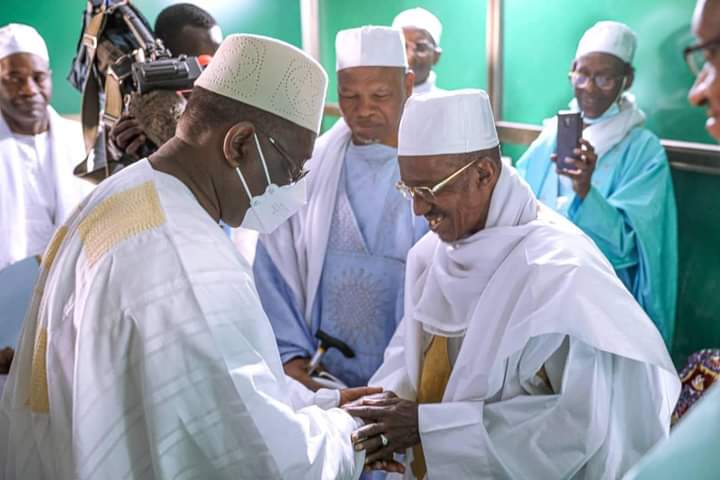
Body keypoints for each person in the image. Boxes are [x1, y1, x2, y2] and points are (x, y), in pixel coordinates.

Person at [0, 34, 374, 480]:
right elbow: (257, 457)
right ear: (238, 144)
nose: (294, 189)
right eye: (292, 169)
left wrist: (325, 403)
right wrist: (351, 431)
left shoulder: (125, 193)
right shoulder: (184, 259)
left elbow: (221, 389)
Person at [344, 89, 680, 479]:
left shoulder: (562, 275)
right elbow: (408, 360)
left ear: (484, 174)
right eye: (408, 189)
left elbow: (579, 427)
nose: (417, 209)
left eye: (430, 191)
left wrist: (427, 428)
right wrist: (376, 424)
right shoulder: (429, 256)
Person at [254, 26, 424, 391]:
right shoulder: (308, 169)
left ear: (408, 85)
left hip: (410, 385)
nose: (363, 110)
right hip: (319, 379)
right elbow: (273, 264)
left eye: (379, 95)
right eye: (350, 96)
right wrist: (291, 358)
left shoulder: (433, 169)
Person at [516, 21, 678, 345]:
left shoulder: (643, 150)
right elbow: (518, 207)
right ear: (571, 72)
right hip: (545, 295)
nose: (589, 88)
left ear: (626, 80)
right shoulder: (551, 138)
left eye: (604, 78)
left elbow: (629, 250)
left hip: (605, 305)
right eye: (582, 75)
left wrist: (585, 192)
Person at [623, 1, 720, 478]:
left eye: (714, 56)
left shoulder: (641, 148)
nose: (698, 93)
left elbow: (636, 237)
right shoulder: (548, 143)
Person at [0, 23, 91, 271]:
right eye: (13, 79)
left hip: (79, 287)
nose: (29, 90)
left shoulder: (84, 142)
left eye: (37, 78)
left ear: (49, 77)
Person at [109, 3, 223, 163]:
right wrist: (121, 151)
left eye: (220, 58)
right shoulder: (145, 104)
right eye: (203, 62)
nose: (213, 70)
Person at [392, 7, 443, 94]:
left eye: (421, 48)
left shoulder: (448, 104)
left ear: (436, 56)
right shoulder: (372, 102)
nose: (410, 57)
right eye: (402, 47)